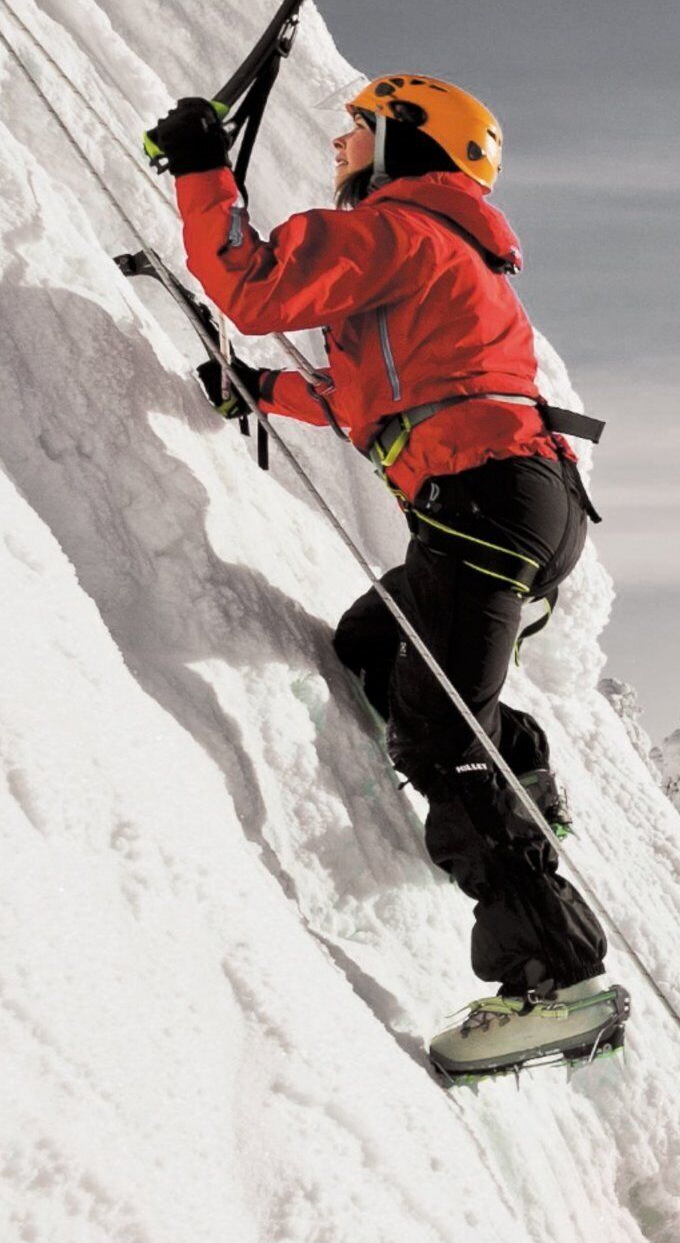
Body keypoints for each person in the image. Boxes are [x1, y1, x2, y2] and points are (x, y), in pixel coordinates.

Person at [147, 74, 618, 1076]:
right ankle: (519, 786)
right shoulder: (444, 249)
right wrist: (263, 389)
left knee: (440, 730)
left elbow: (256, 284)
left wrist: (200, 168)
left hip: (485, 499)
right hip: (517, 499)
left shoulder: (400, 230)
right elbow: (378, 399)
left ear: (411, 139)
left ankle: (556, 979)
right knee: (373, 644)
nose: (338, 141)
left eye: (360, 128)